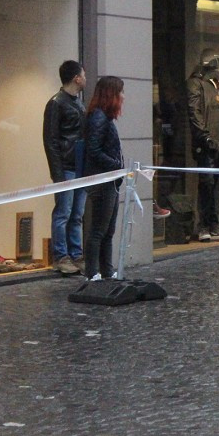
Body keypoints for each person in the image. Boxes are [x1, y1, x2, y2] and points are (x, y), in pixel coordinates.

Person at [42, 60, 87, 276]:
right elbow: (50, 140)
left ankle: (76, 254)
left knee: (76, 213)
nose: (85, 78)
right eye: (83, 75)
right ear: (76, 78)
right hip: (67, 167)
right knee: (64, 213)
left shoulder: (77, 103)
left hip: (79, 166)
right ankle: (61, 256)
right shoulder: (57, 103)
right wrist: (58, 173)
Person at [82, 76, 126, 282]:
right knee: (99, 229)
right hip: (103, 181)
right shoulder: (99, 118)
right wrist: (116, 165)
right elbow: (94, 150)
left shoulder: (102, 117)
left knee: (108, 230)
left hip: (110, 181)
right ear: (111, 94)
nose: (123, 96)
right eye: (120, 92)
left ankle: (107, 271)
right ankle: (92, 272)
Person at [187, 49, 219, 242]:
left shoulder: (217, 88)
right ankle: (204, 225)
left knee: (216, 186)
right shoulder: (195, 84)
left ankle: (213, 223)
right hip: (207, 143)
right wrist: (204, 136)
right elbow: (194, 111)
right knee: (206, 185)